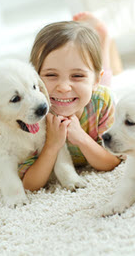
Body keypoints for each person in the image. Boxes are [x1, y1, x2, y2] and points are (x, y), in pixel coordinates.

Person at [20, 12, 121, 191]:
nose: (64, 87)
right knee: (83, 88)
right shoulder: (32, 113)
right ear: (33, 77)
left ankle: (103, 39)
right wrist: (52, 144)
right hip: (81, 93)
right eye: (51, 75)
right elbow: (29, 184)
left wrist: (81, 138)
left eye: (77, 75)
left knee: (104, 86)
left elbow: (112, 162)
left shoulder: (102, 102)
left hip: (95, 92)